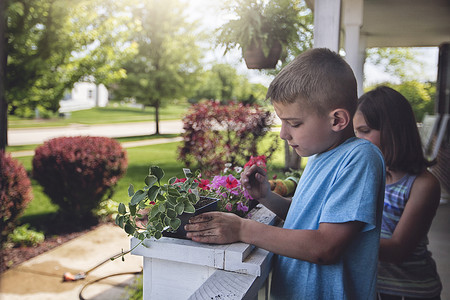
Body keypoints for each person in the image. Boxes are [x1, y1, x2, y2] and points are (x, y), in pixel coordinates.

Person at [185, 48, 385, 299]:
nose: (283, 133)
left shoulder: (360, 158)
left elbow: (326, 247)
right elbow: (306, 219)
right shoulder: (319, 157)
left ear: (337, 120)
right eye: (282, 122)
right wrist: (266, 197)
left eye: (294, 123)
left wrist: (242, 229)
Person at [354, 86, 442, 300]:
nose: (357, 141)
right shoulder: (370, 176)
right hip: (372, 287)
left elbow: (397, 249)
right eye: (355, 133)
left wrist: (335, 238)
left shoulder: (423, 184)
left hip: (409, 291)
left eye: (365, 131)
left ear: (394, 131)